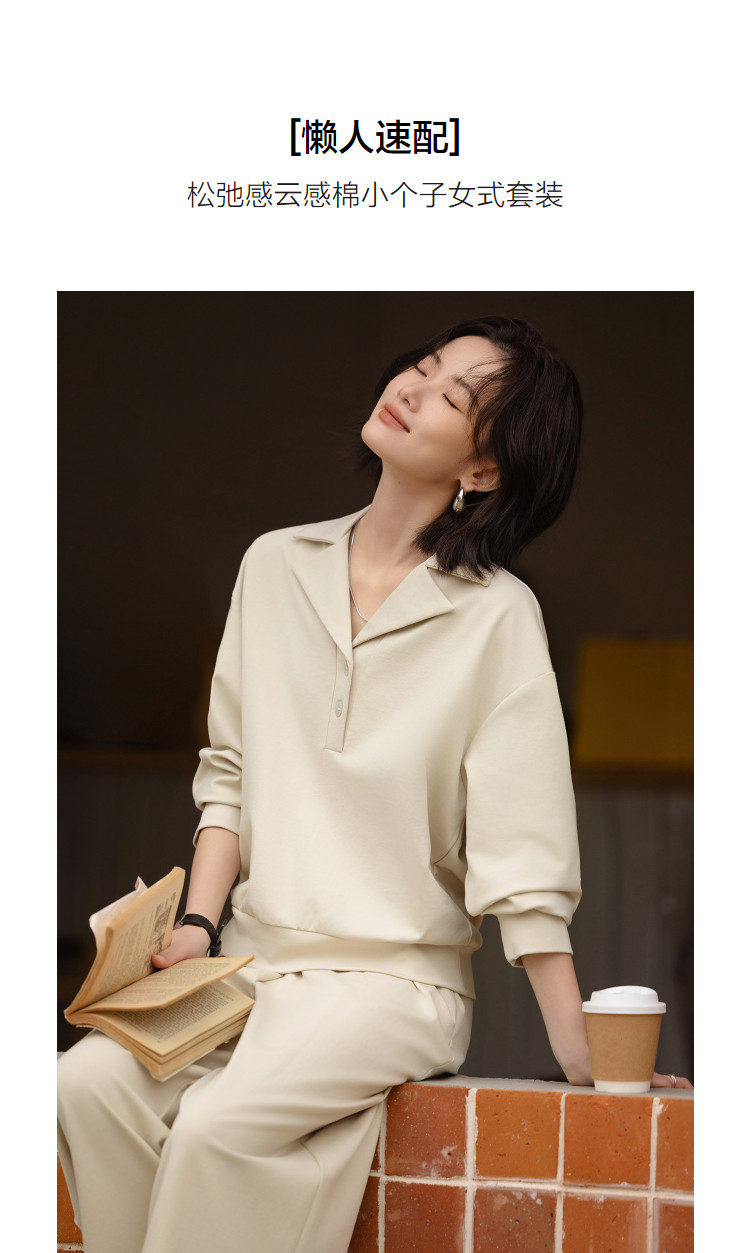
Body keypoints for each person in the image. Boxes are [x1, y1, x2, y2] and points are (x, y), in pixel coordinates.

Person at [57, 315, 691, 1253]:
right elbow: (230, 778)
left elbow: (520, 850)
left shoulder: (500, 618)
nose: (412, 387)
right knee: (81, 1086)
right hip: (251, 965)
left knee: (217, 1130)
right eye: (423, 366)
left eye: (453, 394)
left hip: (396, 984)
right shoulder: (273, 565)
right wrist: (195, 927)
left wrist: (575, 1041)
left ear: (484, 469)